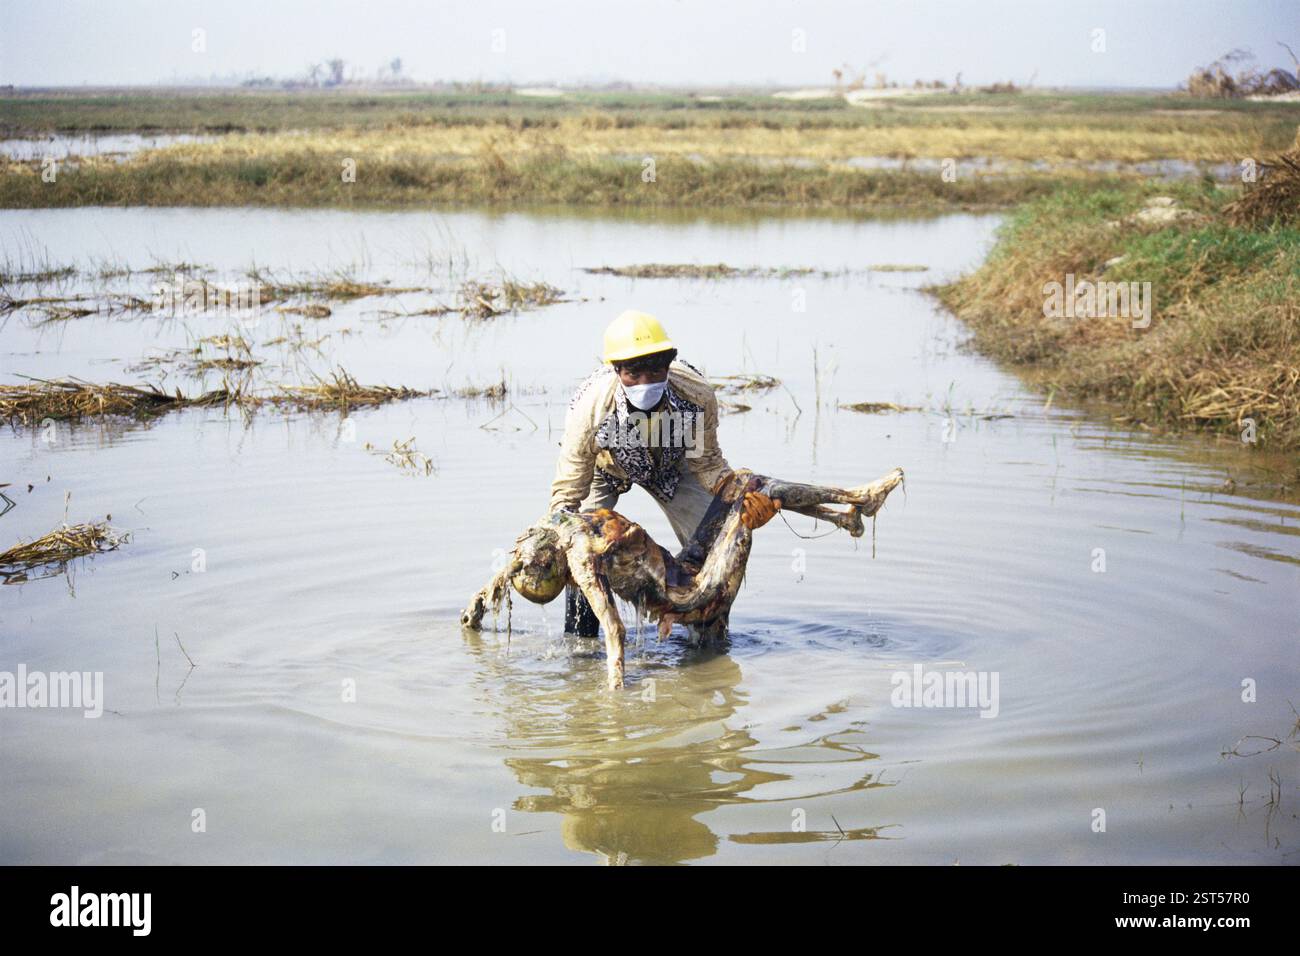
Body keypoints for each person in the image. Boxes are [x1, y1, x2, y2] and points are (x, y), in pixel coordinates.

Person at [549, 309, 780, 635]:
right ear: (616, 370)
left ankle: (708, 638)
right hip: (605, 467)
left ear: (669, 365)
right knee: (583, 544)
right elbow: (569, 486)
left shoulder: (696, 396)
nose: (646, 383)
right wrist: (561, 531)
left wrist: (740, 503)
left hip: (673, 466)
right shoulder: (590, 407)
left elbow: (708, 464)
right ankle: (581, 643)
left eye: (656, 371)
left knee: (716, 542)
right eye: (634, 374)